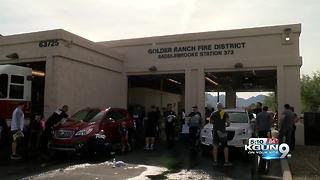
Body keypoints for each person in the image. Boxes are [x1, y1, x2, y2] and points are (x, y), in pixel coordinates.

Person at [210, 102, 232, 166]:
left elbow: (211, 122)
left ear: (217, 107)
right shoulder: (225, 113)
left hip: (215, 131)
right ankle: (226, 162)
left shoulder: (213, 113)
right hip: (222, 131)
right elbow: (228, 123)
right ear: (222, 107)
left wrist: (216, 123)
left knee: (215, 146)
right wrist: (226, 125)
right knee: (225, 146)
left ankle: (215, 162)